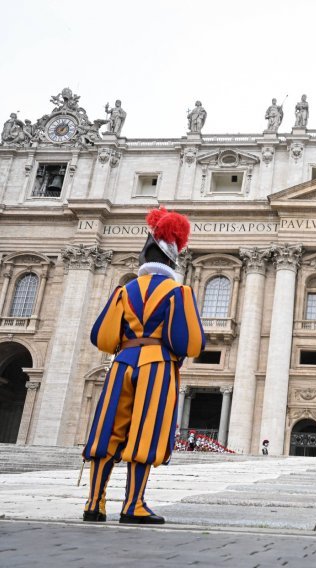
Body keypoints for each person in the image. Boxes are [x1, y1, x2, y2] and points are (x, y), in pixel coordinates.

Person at [82, 207, 205, 525]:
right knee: (145, 432)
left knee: (108, 430)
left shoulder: (124, 291)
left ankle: (94, 503)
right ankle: (133, 505)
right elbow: (189, 343)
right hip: (157, 367)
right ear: (172, 260)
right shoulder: (179, 292)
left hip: (121, 364)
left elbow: (103, 337)